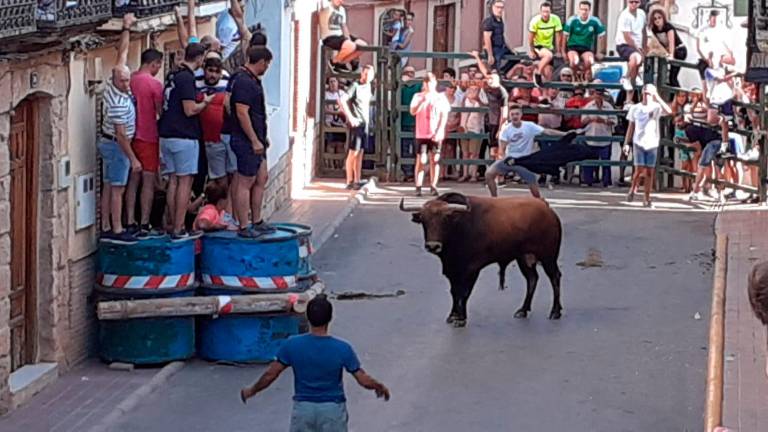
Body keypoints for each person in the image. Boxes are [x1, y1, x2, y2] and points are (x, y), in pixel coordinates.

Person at [240, 295, 390, 431]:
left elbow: (270, 374)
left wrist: (252, 390)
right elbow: (362, 379)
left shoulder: (292, 345)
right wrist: (378, 386)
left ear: (307, 317)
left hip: (304, 409)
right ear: (330, 318)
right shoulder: (342, 348)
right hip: (332, 411)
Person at [158, 42, 212, 241]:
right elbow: (190, 109)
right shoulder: (187, 79)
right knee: (185, 181)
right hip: (184, 136)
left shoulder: (171, 75)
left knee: (172, 179)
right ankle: (179, 227)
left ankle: (172, 222)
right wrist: (204, 103)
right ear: (198, 59)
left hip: (166, 135)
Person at [99, 14, 141, 244]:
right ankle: (116, 228)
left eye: (128, 80)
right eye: (123, 81)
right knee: (117, 187)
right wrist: (133, 158)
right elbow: (122, 135)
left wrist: (126, 27)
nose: (127, 84)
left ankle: (106, 223)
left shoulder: (114, 83)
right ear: (115, 80)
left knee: (107, 185)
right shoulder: (116, 102)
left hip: (109, 143)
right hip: (117, 146)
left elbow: (122, 53)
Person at [230, 47, 275, 238]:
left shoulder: (252, 80)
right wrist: (254, 139)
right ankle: (243, 225)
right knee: (245, 180)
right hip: (246, 140)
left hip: (258, 139)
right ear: (262, 62)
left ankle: (257, 220)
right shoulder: (243, 81)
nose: (267, 68)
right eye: (267, 64)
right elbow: (242, 112)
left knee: (261, 177)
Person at [486, 103, 570, 199]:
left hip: (525, 160)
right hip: (510, 159)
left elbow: (547, 131)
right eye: (512, 114)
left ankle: (539, 202)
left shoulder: (529, 126)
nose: (515, 117)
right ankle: (494, 198)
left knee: (532, 184)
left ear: (521, 115)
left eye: (517, 114)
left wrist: (564, 134)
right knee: (489, 174)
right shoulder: (506, 129)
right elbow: (501, 149)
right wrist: (504, 159)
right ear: (509, 116)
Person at [127, 47, 165, 239]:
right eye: (159, 65)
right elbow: (160, 112)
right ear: (154, 64)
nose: (159, 68)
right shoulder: (155, 85)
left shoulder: (129, 79)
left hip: (129, 136)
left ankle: (129, 221)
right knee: (148, 181)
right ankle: (144, 222)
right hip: (149, 136)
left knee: (133, 180)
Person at [625, 84, 672, 207]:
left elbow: (669, 111)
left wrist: (658, 97)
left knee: (650, 172)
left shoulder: (656, 107)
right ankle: (633, 187)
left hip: (652, 143)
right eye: (645, 93)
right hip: (638, 142)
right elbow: (631, 127)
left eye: (649, 94)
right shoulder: (635, 108)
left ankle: (647, 198)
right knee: (639, 169)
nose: (647, 96)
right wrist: (626, 143)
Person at [410, 72, 451, 196]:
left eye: (431, 83)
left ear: (435, 84)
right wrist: (423, 101)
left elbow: (444, 115)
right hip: (421, 133)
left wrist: (440, 130)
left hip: (435, 133)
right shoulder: (418, 96)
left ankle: (433, 185)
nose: (429, 85)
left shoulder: (441, 97)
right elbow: (412, 111)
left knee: (435, 159)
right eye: (427, 83)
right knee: (421, 159)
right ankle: (418, 186)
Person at [676, 113, 730, 202]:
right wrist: (682, 140)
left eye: (679, 121)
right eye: (676, 122)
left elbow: (695, 144)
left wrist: (684, 143)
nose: (677, 124)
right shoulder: (696, 127)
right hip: (718, 141)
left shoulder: (689, 129)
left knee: (701, 166)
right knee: (718, 169)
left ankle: (695, 192)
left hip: (711, 144)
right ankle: (720, 194)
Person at [338, 65, 375, 190]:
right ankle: (349, 180)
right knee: (353, 152)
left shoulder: (370, 86)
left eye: (369, 75)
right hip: (357, 123)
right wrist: (350, 117)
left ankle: (357, 180)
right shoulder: (355, 86)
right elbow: (342, 100)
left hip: (365, 123)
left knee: (360, 153)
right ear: (361, 74)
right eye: (365, 74)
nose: (367, 77)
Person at [581, 89, 617, 187]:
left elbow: (614, 121)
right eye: (597, 94)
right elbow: (582, 121)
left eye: (601, 94)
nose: (599, 96)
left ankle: (606, 182)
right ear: (593, 95)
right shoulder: (588, 106)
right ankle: (588, 181)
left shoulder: (608, 107)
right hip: (590, 137)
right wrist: (591, 119)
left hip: (605, 138)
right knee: (589, 162)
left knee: (605, 161)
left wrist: (604, 120)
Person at [318, 0, 368, 72]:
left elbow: (344, 26)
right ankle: (333, 62)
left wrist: (349, 40)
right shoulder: (327, 5)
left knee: (362, 45)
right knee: (350, 46)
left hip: (340, 35)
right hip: (329, 37)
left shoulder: (342, 10)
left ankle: (342, 63)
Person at [563, 1, 606, 82]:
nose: (584, 12)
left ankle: (583, 75)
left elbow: (602, 35)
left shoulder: (595, 21)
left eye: (586, 10)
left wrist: (601, 51)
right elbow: (564, 36)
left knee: (590, 61)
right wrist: (563, 52)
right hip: (573, 48)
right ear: (579, 9)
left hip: (586, 48)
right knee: (574, 62)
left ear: (589, 10)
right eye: (582, 9)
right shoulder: (572, 20)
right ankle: (575, 77)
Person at [528, 1, 564, 87]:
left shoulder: (555, 19)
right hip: (538, 45)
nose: (545, 14)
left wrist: (558, 50)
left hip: (549, 47)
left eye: (547, 12)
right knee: (548, 55)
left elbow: (558, 36)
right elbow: (530, 38)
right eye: (543, 12)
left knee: (549, 74)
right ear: (540, 12)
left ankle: (546, 96)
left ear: (550, 11)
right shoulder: (535, 21)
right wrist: (532, 51)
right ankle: (538, 73)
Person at [648, 8, 686, 88]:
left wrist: (671, 55)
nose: (657, 20)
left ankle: (679, 97)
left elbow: (671, 43)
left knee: (673, 77)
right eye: (655, 19)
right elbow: (660, 44)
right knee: (669, 78)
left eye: (659, 17)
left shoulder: (669, 27)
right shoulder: (654, 30)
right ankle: (673, 97)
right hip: (669, 51)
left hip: (679, 50)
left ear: (663, 18)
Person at [615, 0, 647, 93]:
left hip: (637, 45)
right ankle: (626, 77)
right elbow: (627, 37)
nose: (633, 4)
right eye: (631, 2)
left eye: (636, 2)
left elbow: (644, 31)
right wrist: (640, 52)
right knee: (636, 58)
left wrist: (644, 48)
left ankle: (629, 97)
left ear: (639, 3)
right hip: (624, 44)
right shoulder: (624, 15)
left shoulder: (642, 14)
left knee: (636, 65)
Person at [483, 0, 515, 77]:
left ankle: (503, 71)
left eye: (501, 8)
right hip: (494, 49)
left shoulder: (500, 20)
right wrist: (490, 55)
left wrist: (511, 49)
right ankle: (498, 77)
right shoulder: (489, 21)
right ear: (492, 7)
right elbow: (487, 38)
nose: (499, 10)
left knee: (515, 58)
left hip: (502, 47)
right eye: (497, 7)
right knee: (495, 69)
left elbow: (502, 36)